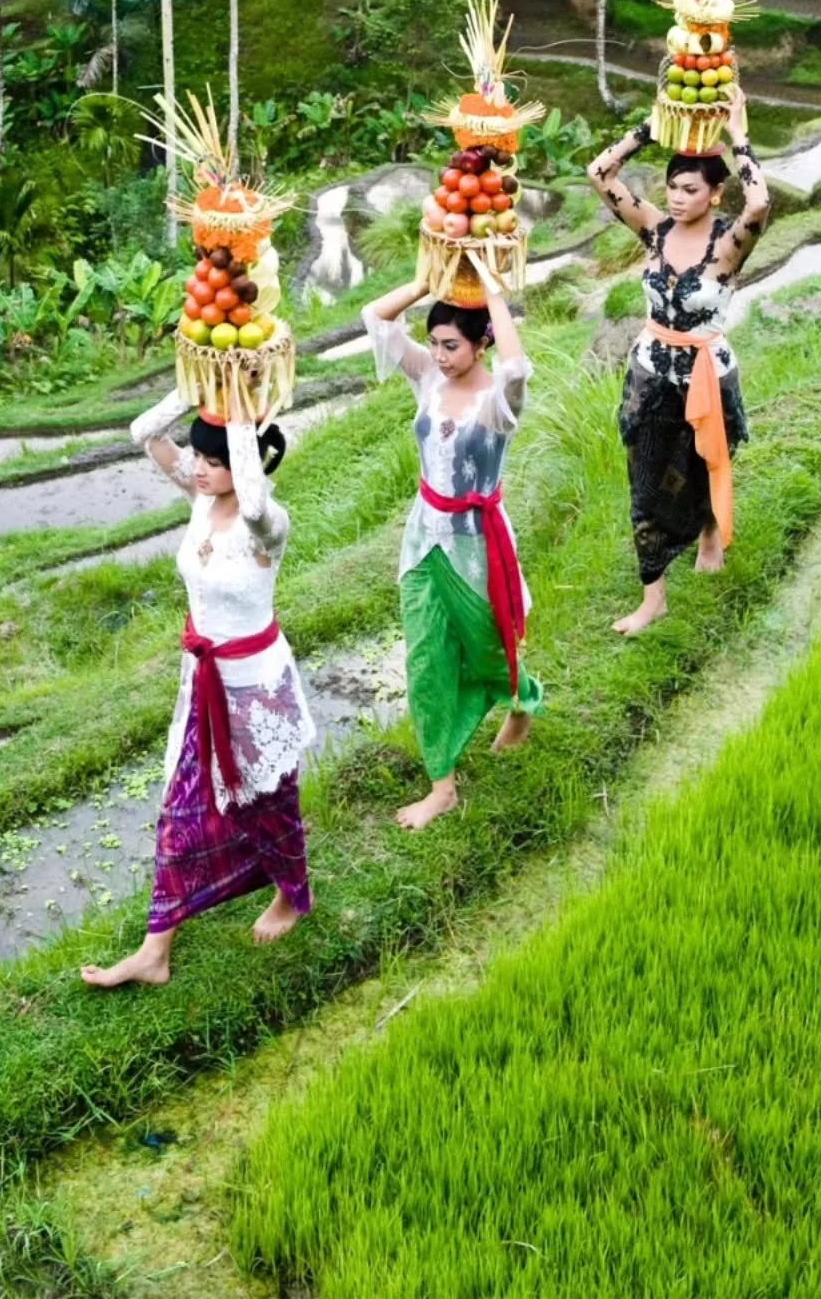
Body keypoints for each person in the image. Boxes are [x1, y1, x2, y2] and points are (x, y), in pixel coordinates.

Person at [81, 390, 315, 988]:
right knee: (179, 813)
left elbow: (256, 498)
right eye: (198, 458)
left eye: (212, 460)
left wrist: (242, 410)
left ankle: (291, 894)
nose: (198, 466)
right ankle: (154, 951)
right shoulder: (199, 500)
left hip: (255, 686)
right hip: (202, 685)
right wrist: (199, 386)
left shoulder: (268, 524)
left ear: (244, 464)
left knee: (270, 804)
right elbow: (142, 430)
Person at [362, 254, 543, 831]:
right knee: (425, 660)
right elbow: (375, 318)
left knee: (490, 648)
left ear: (479, 345)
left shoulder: (498, 402)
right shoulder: (430, 380)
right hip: (423, 540)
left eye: (451, 346)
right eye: (434, 343)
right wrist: (422, 280)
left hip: (477, 545)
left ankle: (521, 699)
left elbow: (517, 369)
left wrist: (490, 287)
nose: (439, 355)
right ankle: (442, 784)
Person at [587, 89, 770, 635]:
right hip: (650, 373)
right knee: (644, 480)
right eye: (671, 186)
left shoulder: (730, 243)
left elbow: (759, 203)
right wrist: (653, 125)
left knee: (704, 462)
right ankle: (653, 596)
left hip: (707, 374)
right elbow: (600, 172)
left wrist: (739, 137)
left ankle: (709, 529)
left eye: (690, 189)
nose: (676, 197)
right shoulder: (654, 229)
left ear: (716, 195)